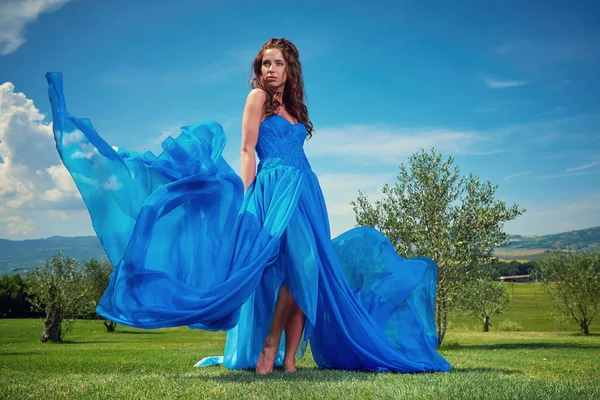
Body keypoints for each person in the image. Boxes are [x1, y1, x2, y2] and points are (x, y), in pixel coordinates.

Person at [45, 38, 450, 375]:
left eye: (277, 63)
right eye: (264, 63)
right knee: (301, 265)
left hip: (306, 189)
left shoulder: (295, 110)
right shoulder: (257, 98)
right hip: (273, 188)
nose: (270, 69)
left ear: (290, 68)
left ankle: (289, 358)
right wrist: (245, 192)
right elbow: (245, 149)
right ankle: (270, 343)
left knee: (311, 270)